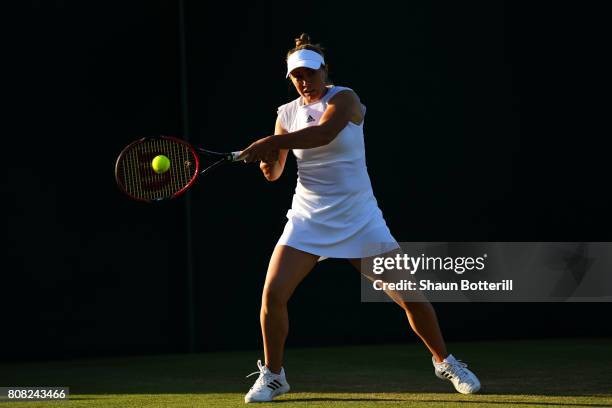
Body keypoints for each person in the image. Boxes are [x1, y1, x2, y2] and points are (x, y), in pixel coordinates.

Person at [239, 33, 481, 403]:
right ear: (290, 78)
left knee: (411, 298)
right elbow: (274, 174)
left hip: (359, 217)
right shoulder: (285, 114)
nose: (304, 81)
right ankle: (274, 375)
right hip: (308, 217)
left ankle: (445, 361)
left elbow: (323, 134)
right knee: (272, 295)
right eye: (297, 76)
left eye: (310, 73)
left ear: (324, 71)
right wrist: (267, 159)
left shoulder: (345, 98)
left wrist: (272, 143)